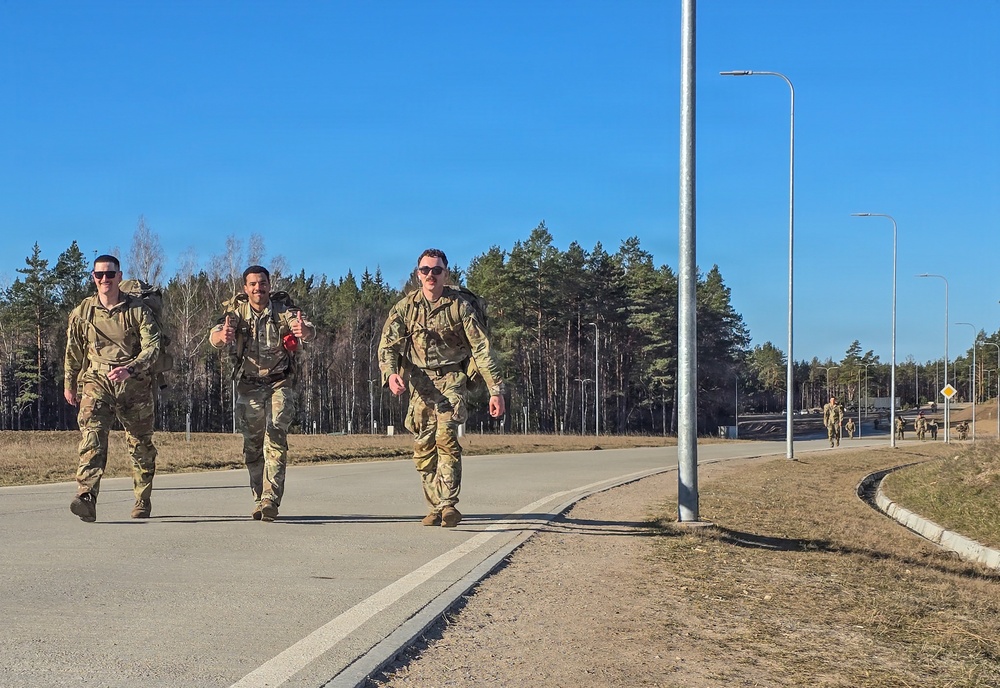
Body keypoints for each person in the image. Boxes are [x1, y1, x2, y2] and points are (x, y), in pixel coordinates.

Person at [378, 249, 506, 528]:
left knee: (446, 437)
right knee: (423, 445)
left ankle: (448, 504)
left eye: (437, 270)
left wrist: (495, 390)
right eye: (425, 270)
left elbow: (482, 349)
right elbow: (388, 346)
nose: (431, 275)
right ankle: (434, 505)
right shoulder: (405, 308)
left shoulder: (460, 307)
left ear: (446, 274)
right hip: (420, 382)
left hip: (453, 378)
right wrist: (389, 375)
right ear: (417, 274)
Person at [209, 265, 315, 521]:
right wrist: (222, 336)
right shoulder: (235, 315)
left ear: (270, 285)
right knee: (253, 446)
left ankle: (271, 497)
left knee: (276, 433)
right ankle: (259, 497)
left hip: (280, 383)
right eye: (253, 284)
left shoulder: (284, 312)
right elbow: (213, 337)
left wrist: (305, 332)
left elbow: (306, 328)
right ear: (246, 289)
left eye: (263, 283)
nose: (259, 288)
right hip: (249, 386)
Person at [64, 255, 162, 522]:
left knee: (140, 444)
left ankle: (142, 499)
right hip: (97, 382)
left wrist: (131, 368)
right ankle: (86, 496)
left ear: (120, 276)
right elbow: (73, 351)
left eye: (110, 274)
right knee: (92, 437)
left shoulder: (139, 310)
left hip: (135, 385)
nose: (104, 280)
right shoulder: (83, 312)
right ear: (93, 278)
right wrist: (69, 383)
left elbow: (153, 348)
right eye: (99, 275)